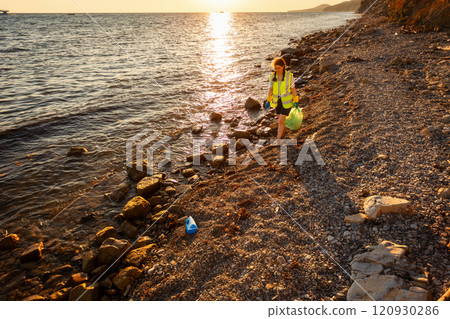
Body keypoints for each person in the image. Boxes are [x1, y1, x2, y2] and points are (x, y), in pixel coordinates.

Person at [265, 57, 299, 139]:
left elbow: (293, 89)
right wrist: (268, 100)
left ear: (283, 66)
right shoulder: (273, 76)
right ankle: (282, 133)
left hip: (287, 102)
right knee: (280, 119)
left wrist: (296, 100)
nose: (276, 70)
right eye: (275, 68)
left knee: (280, 120)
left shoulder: (289, 76)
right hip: (277, 102)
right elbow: (271, 89)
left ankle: (278, 138)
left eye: (278, 68)